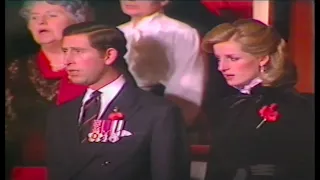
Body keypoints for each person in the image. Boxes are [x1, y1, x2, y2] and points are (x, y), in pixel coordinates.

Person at [46, 22, 190, 180]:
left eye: (78, 51)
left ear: (109, 55)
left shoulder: (158, 112)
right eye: (65, 51)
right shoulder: (61, 114)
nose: (67, 61)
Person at [201, 19, 314, 180]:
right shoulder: (227, 106)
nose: (222, 67)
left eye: (233, 58)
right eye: (219, 59)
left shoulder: (295, 106)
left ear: (262, 58)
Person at [5, 0, 92, 178]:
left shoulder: (95, 66)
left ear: (77, 21)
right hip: (28, 169)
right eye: (34, 17)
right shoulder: (16, 69)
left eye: (52, 15)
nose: (41, 22)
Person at [118, 0, 207, 126]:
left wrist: (175, 120)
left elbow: (187, 79)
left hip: (160, 107)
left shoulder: (180, 32)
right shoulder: (117, 32)